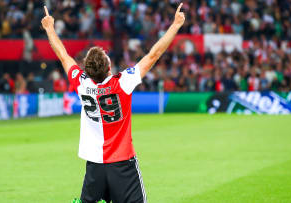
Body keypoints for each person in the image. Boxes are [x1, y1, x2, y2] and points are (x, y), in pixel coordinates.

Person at [41, 3, 185, 203]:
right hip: (122, 163)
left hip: (94, 166)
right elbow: (153, 55)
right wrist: (176, 25)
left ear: (87, 71)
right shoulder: (123, 83)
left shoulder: (81, 84)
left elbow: (63, 56)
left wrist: (49, 28)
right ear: (109, 67)